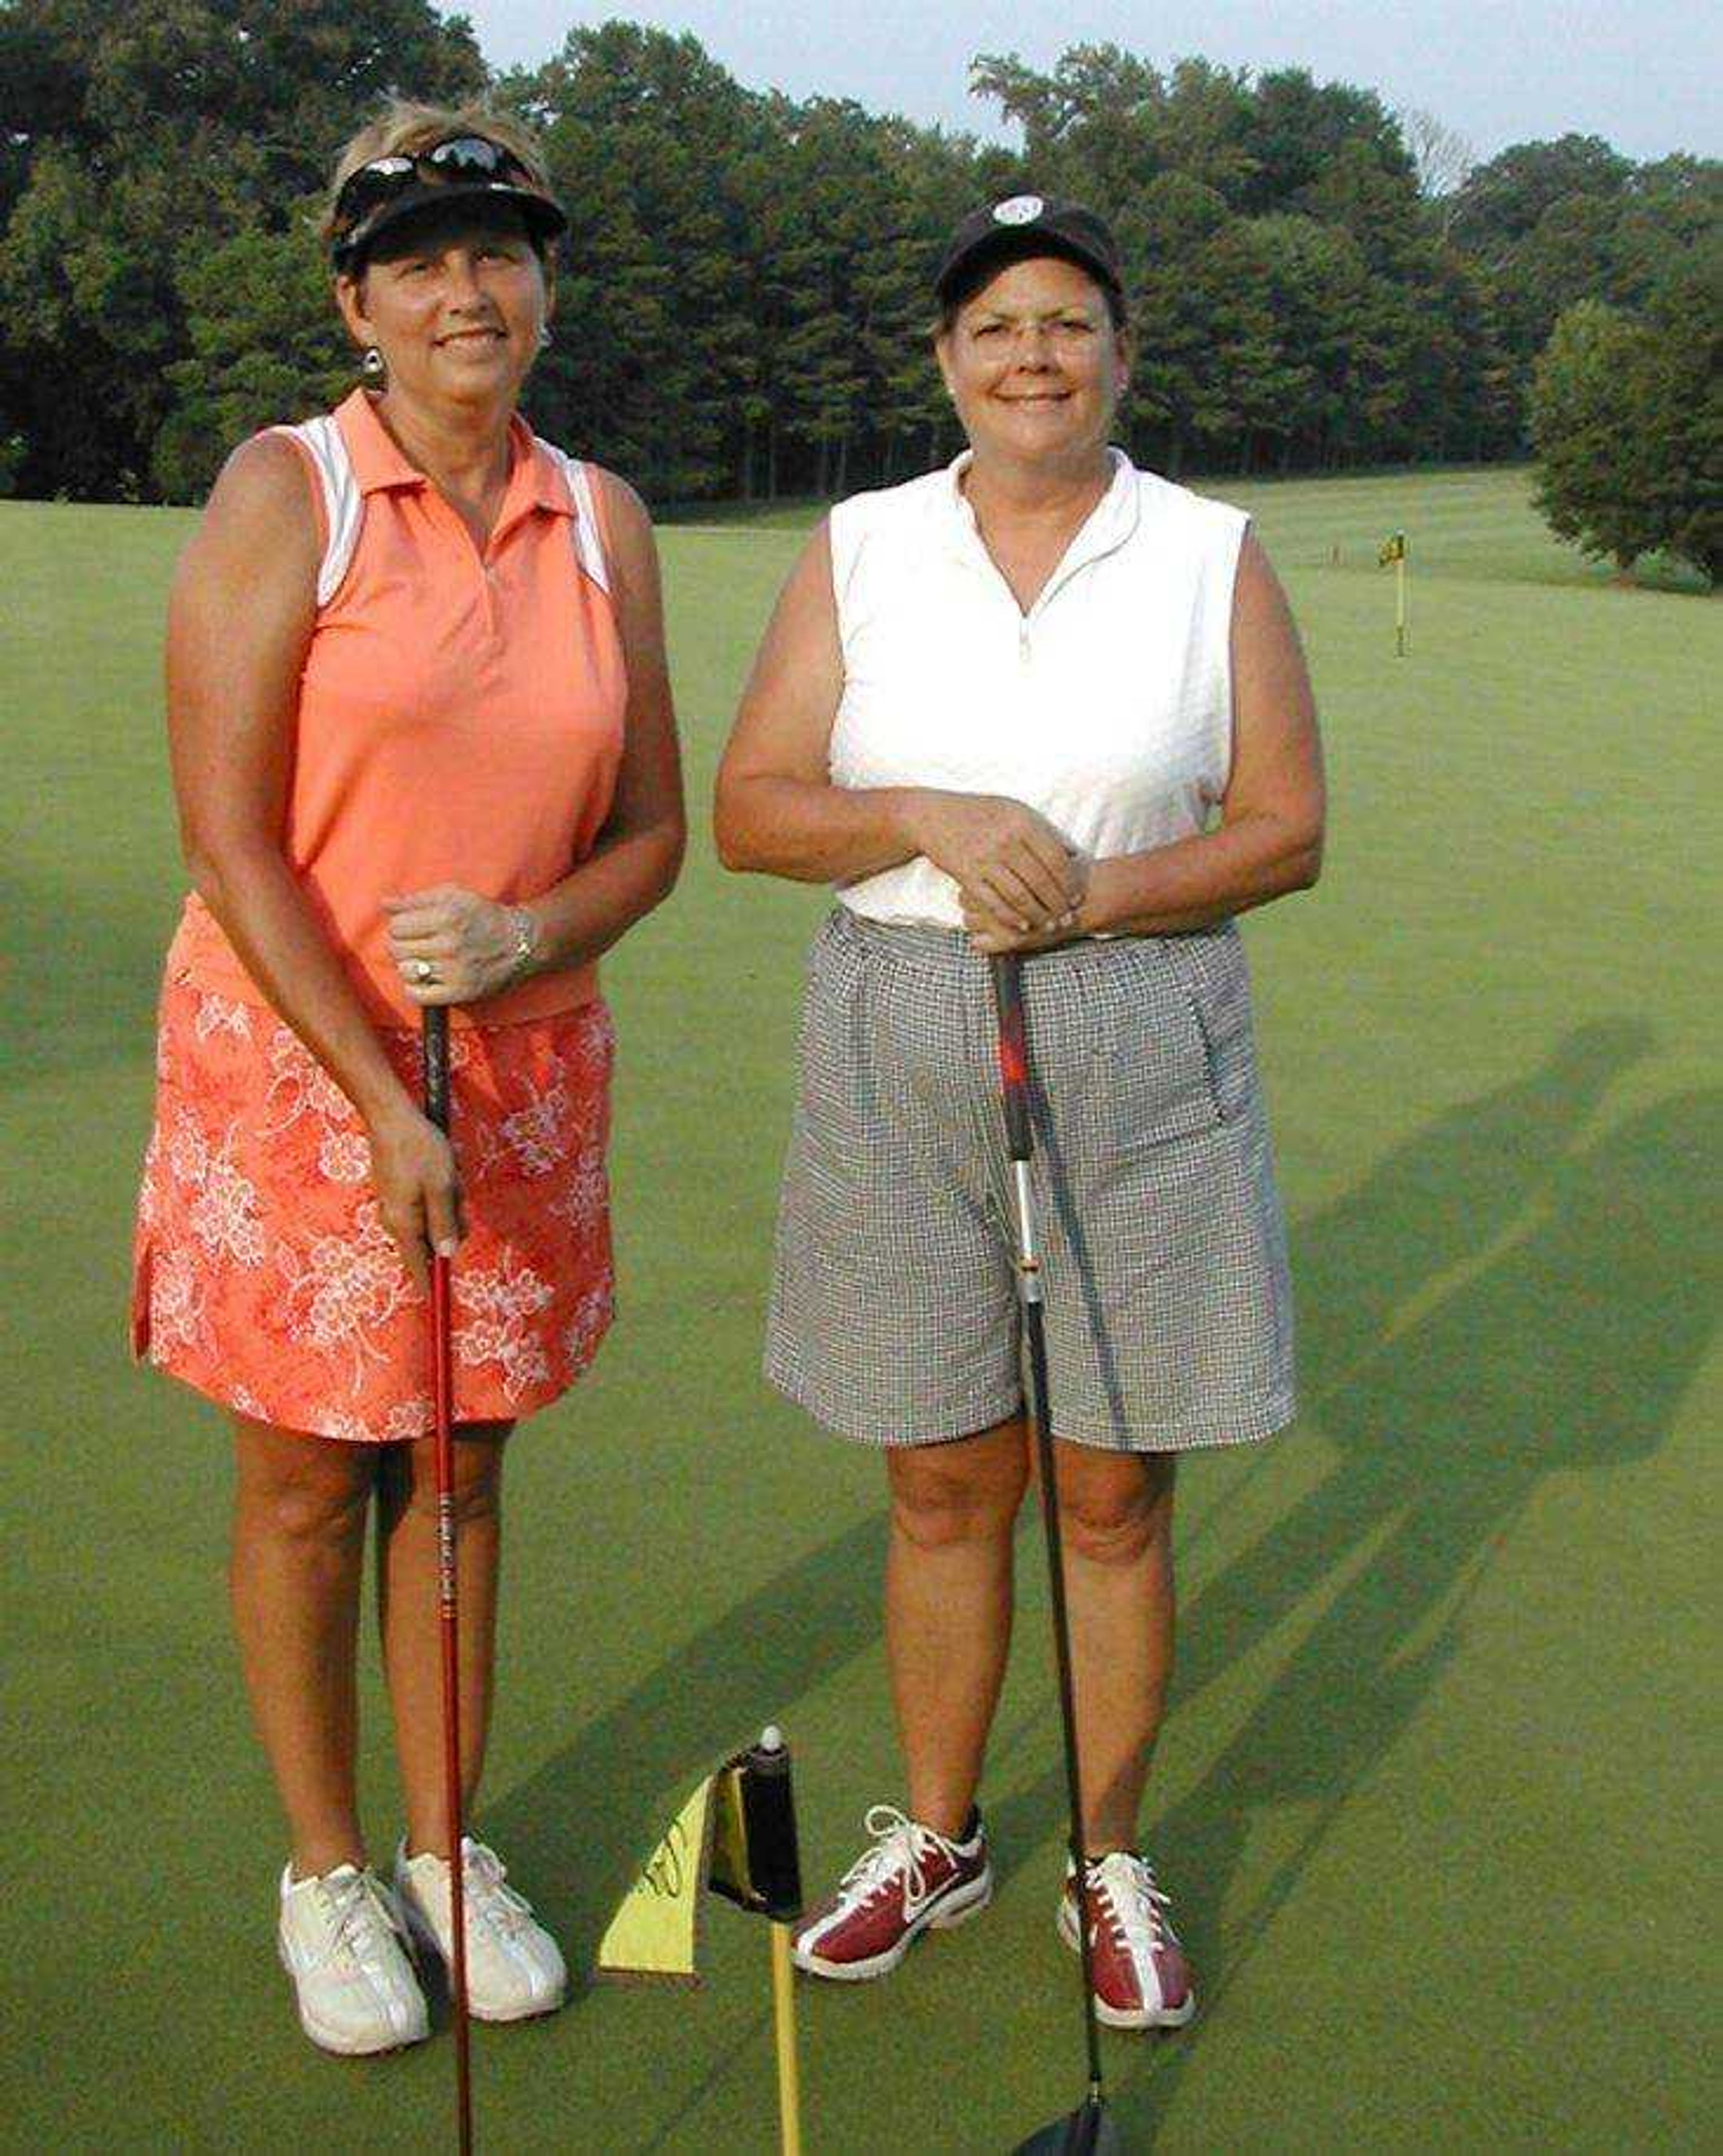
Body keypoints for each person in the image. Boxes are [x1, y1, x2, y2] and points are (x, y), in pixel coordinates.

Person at [714, 195, 1323, 2030]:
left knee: (1115, 1485)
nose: (1033, 354)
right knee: (940, 1470)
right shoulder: (865, 544)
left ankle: (1106, 1850)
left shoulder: (1208, 552)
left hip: (1140, 1020)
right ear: (947, 363)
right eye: (995, 328)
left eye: (1068, 322)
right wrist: (925, 816)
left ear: (1121, 356)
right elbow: (754, 804)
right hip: (900, 1019)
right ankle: (947, 1829)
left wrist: (1089, 894)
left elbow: (1287, 828)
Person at [130, 101, 684, 2055]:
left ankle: (449, 1842)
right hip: (302, 1063)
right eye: (425, 256)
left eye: (502, 249)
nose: (471, 287)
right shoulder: (292, 490)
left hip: (520, 1060)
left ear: (543, 284)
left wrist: (534, 937)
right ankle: (326, 1870)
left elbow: (651, 833)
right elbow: (231, 839)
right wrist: (376, 1096)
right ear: (357, 298)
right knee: (306, 1472)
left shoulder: (600, 515)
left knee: (458, 1467)